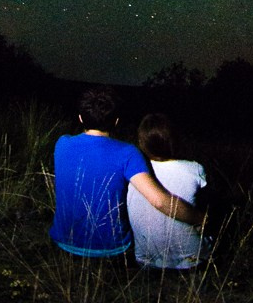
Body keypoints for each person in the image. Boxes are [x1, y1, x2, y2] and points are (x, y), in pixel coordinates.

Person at [49, 87, 205, 259]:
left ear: (80, 118)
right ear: (116, 121)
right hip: (112, 250)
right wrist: (199, 218)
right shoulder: (128, 153)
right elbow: (159, 201)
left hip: (63, 244)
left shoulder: (62, 143)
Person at [126, 112, 211, 271]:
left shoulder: (135, 173)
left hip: (145, 260)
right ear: (175, 140)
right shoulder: (195, 169)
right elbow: (205, 210)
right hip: (192, 261)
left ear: (142, 142)